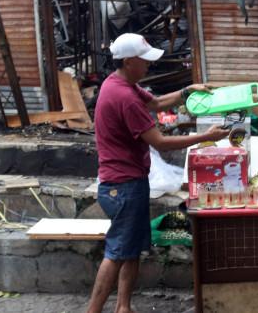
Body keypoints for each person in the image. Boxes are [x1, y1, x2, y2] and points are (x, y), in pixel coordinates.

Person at [86, 33, 229, 313]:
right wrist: (205, 137)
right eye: (145, 60)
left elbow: (157, 103)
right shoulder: (125, 97)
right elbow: (160, 142)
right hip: (123, 186)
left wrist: (188, 91)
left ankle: (123, 307)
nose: (149, 65)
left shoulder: (118, 83)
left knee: (130, 250)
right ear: (129, 61)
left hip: (127, 182)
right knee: (117, 252)